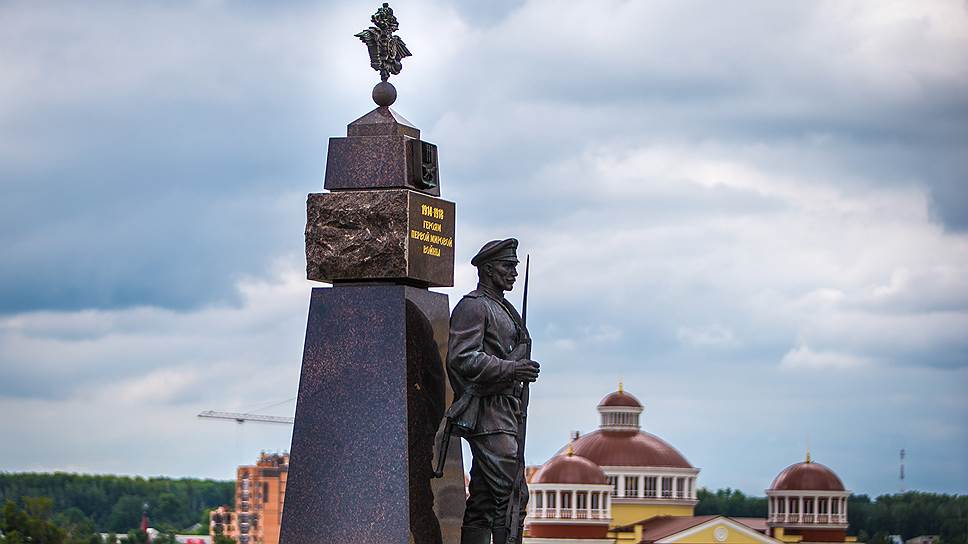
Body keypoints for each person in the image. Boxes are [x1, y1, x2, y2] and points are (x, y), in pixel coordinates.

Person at [445, 238, 541, 544]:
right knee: (512, 494)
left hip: (506, 409)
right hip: (488, 411)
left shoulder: (504, 309)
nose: (513, 273)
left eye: (514, 267)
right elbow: (461, 358)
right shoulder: (474, 307)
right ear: (488, 269)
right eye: (506, 266)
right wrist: (511, 369)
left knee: (485, 500)